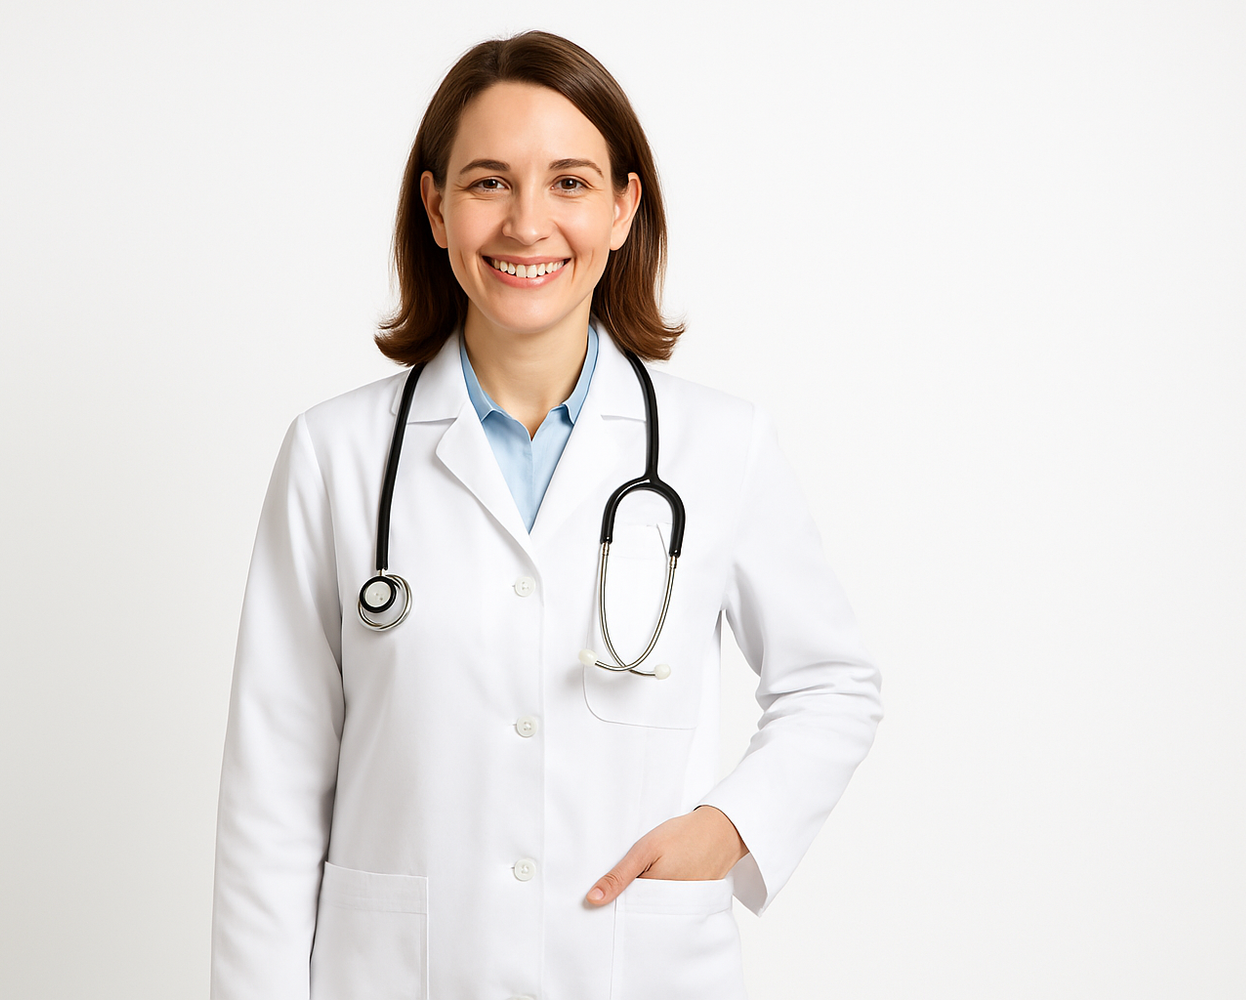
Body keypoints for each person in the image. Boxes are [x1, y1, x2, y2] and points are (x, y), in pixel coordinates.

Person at [211, 30, 882, 1000]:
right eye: (489, 182)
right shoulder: (336, 456)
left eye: (569, 182)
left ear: (622, 207)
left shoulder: (720, 447)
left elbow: (833, 682)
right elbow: (269, 797)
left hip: (635, 970)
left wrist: (730, 828)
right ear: (435, 207)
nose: (528, 222)